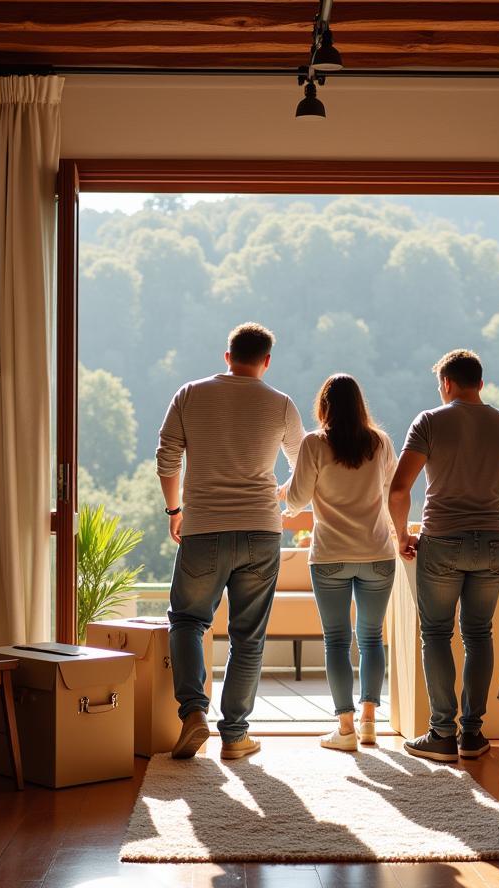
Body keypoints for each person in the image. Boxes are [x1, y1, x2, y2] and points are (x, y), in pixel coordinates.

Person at [388, 349, 499, 762]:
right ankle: (472, 737)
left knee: (437, 634)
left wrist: (403, 533)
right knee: (479, 634)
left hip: (441, 540)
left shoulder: (429, 421)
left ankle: (441, 734)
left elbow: (399, 489)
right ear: (481, 383)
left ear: (446, 384)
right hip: (493, 541)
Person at [156, 323, 304, 761]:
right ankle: (236, 735)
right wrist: (281, 503)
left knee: (187, 620)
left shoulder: (190, 394)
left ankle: (193, 713)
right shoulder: (280, 404)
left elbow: (167, 457)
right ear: (267, 361)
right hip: (261, 530)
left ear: (227, 356)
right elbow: (303, 465)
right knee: (248, 636)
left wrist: (174, 511)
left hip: (204, 527)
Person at [281, 374, 398, 752]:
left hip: (330, 555)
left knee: (336, 641)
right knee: (371, 638)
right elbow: (392, 491)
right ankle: (369, 723)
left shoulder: (315, 444)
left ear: (324, 405)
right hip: (378, 553)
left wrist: (290, 492)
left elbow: (296, 500)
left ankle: (344, 728)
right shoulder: (379, 442)